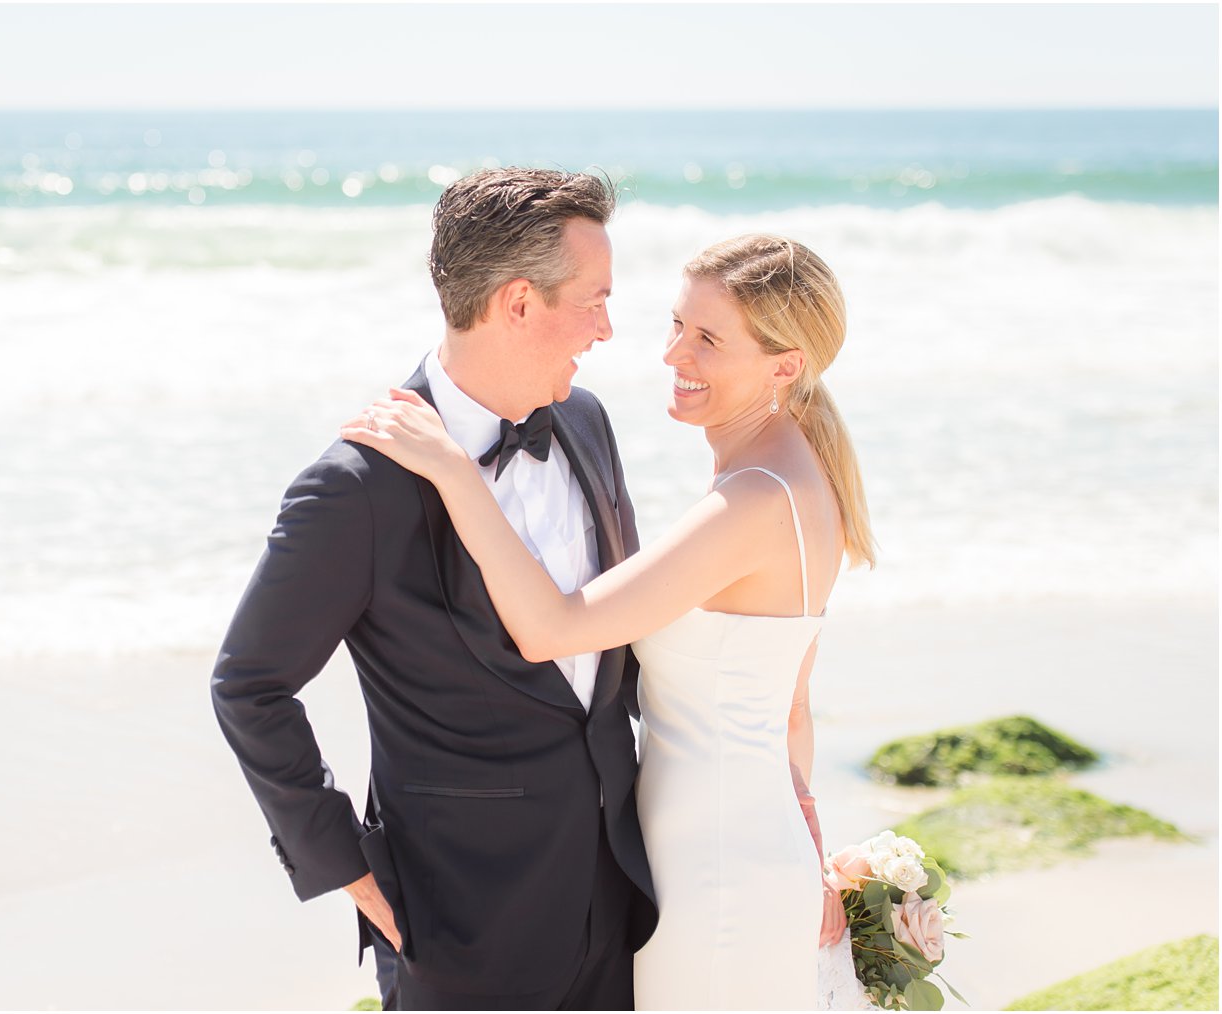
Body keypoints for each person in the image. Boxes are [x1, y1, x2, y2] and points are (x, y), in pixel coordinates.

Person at [342, 234, 876, 1010]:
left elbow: (551, 628)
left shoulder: (757, 498)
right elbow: (790, 707)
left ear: (784, 366)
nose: (672, 354)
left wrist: (455, 470)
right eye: (677, 324)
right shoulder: (793, 471)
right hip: (736, 851)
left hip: (715, 873)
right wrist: (806, 845)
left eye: (706, 339)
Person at [211, 167, 658, 1011]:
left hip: (622, 901)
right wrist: (340, 861)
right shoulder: (354, 488)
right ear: (519, 303)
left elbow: (617, 654)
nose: (607, 327)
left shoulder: (588, 422)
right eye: (595, 299)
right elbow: (249, 685)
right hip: (460, 928)